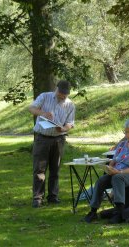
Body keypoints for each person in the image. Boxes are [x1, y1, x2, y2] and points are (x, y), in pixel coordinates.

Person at [84, 121, 129, 223]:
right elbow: (114, 161)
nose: (127, 135)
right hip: (117, 172)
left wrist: (119, 172)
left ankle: (120, 212)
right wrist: (109, 169)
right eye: (125, 132)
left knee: (117, 178)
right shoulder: (122, 144)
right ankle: (93, 211)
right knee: (101, 181)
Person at [28, 80, 75, 208]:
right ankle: (37, 198)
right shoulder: (44, 96)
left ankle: (53, 196)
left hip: (59, 139)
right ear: (56, 89)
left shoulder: (70, 105)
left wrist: (64, 129)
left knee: (55, 169)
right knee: (39, 169)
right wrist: (43, 114)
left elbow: (70, 123)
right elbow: (31, 108)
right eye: (61, 93)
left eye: (65, 94)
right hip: (42, 138)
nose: (63, 96)